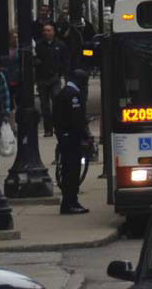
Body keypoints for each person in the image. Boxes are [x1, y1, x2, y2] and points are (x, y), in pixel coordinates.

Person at [53, 69, 93, 214]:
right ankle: (70, 203)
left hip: (64, 137)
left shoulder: (63, 93)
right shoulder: (73, 95)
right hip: (71, 138)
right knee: (72, 171)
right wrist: (85, 136)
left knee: (68, 170)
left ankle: (70, 202)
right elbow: (77, 120)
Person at [34, 22, 69, 137]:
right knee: (44, 106)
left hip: (55, 78)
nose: (46, 33)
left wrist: (61, 73)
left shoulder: (60, 45)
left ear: (53, 32)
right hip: (42, 79)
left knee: (57, 103)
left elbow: (65, 60)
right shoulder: (38, 45)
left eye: (49, 30)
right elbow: (34, 59)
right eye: (45, 30)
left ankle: (58, 126)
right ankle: (47, 129)